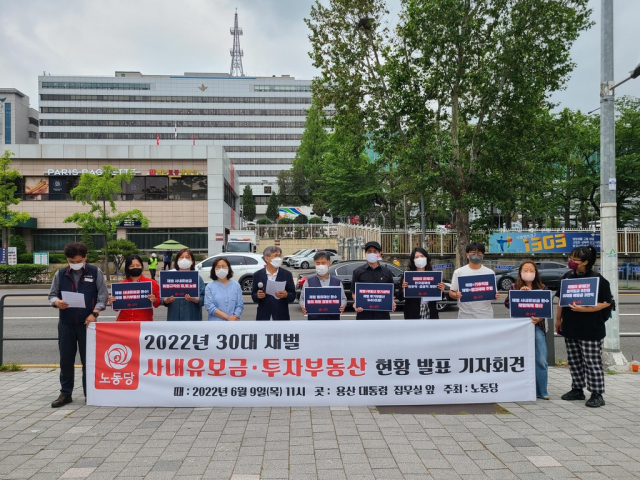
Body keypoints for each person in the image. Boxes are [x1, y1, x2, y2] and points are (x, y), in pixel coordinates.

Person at [48, 242, 108, 408]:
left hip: (87, 323)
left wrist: (94, 313)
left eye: (78, 261)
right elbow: (52, 295)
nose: (75, 264)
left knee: (88, 360)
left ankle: (90, 393)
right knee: (66, 359)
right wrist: (57, 302)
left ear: (85, 257)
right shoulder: (60, 274)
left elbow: (103, 295)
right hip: (66, 322)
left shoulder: (95, 272)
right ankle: (65, 393)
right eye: (71, 261)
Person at [555, 245, 611, 408]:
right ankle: (577, 389)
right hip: (571, 326)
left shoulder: (598, 279)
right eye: (570, 258)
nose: (570, 261)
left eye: (574, 259)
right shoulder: (568, 276)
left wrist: (585, 309)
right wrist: (559, 319)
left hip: (591, 327)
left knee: (592, 361)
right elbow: (561, 299)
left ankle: (597, 393)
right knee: (574, 360)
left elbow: (606, 303)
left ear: (585, 262)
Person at [504, 261, 550, 400]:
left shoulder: (542, 288)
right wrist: (518, 294)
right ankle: (520, 389)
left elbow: (546, 308)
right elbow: (507, 304)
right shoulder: (514, 286)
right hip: (519, 327)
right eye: (525, 270)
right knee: (518, 359)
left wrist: (540, 318)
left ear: (535, 273)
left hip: (536, 327)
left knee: (541, 359)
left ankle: (542, 391)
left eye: (531, 270)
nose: (528, 272)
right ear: (520, 272)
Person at [449, 242, 500, 319]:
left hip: (485, 315)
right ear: (467, 255)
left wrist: (495, 296)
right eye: (473, 253)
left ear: (483, 255)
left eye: (479, 253)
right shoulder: (459, 272)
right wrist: (456, 295)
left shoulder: (489, 272)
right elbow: (451, 292)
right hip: (465, 315)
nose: (476, 255)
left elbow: (493, 294)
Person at [351, 241, 397, 320]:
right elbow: (354, 293)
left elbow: (390, 293)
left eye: (375, 251)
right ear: (365, 254)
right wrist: (357, 303)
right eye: (369, 251)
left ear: (379, 253)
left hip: (382, 316)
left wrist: (392, 303)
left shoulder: (387, 272)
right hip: (364, 315)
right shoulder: (357, 272)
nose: (372, 253)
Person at [109, 254, 161, 321]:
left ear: (142, 266)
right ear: (127, 268)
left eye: (138, 265)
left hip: (144, 322)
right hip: (124, 322)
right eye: (132, 266)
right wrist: (112, 302)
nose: (135, 268)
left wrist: (154, 300)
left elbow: (158, 303)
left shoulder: (152, 283)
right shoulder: (121, 285)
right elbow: (116, 309)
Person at [397, 248, 445, 320]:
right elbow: (400, 297)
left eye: (422, 256)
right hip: (412, 313)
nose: (420, 258)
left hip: (430, 312)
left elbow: (440, 297)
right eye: (416, 257)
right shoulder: (407, 276)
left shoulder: (434, 275)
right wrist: (404, 289)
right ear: (413, 260)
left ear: (426, 258)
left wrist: (441, 290)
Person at [251, 246, 296, 320]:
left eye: (279, 256)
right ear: (266, 258)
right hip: (263, 316)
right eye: (275, 256)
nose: (278, 258)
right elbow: (253, 296)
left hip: (281, 316)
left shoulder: (287, 274)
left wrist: (286, 295)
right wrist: (258, 296)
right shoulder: (258, 275)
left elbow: (293, 296)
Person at [299, 251, 347, 320]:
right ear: (315, 264)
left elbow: (343, 298)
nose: (320, 266)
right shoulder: (308, 282)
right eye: (318, 263)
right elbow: (302, 299)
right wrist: (303, 305)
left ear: (329, 264)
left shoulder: (337, 282)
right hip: (314, 320)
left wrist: (342, 305)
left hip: (333, 320)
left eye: (323, 263)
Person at [163, 248, 205, 321]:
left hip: (192, 318)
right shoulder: (170, 278)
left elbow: (204, 299)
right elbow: (162, 298)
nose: (184, 259)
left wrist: (194, 299)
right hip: (174, 318)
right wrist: (166, 300)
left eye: (187, 257)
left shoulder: (198, 278)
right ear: (177, 261)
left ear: (192, 262)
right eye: (181, 257)